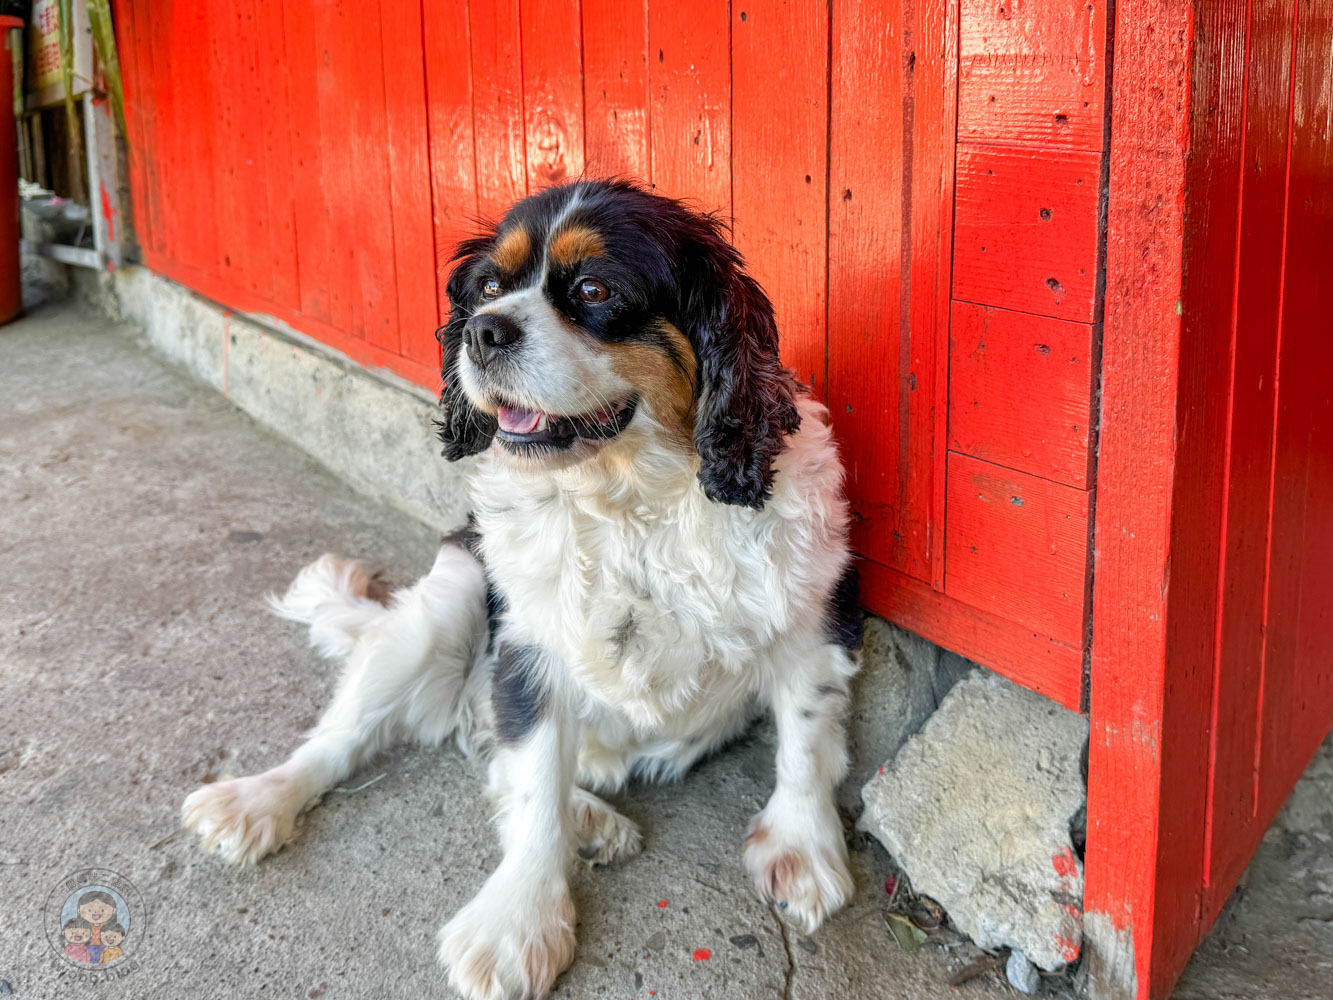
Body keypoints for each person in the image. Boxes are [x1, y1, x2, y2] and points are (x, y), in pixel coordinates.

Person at [75, 890, 117, 963]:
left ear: (113, 910)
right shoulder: (83, 927)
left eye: (102, 909)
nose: (95, 912)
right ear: (79, 910)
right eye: (89, 909)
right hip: (88, 947)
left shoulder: (110, 927)